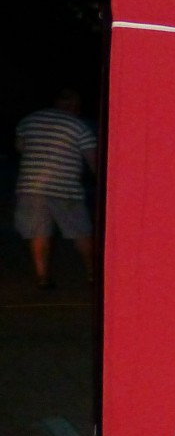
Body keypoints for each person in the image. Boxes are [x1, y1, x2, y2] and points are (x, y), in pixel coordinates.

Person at [14, 88, 98, 289]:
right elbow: (93, 160)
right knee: (81, 232)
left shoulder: (29, 120)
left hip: (31, 186)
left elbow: (20, 147)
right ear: (74, 106)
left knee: (38, 232)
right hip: (65, 187)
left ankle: (43, 278)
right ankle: (93, 273)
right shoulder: (79, 126)